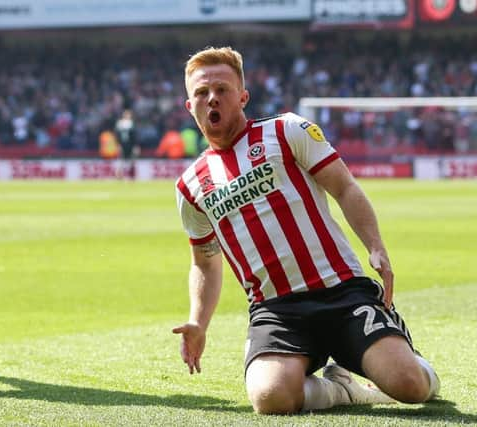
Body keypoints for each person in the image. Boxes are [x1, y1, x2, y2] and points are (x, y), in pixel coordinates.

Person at [171, 46, 440, 415]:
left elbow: (344, 187)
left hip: (342, 291)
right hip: (277, 310)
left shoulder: (286, 131)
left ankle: (409, 359)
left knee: (409, 385)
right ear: (189, 106)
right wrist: (197, 322)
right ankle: (342, 390)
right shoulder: (190, 186)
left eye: (222, 89)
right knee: (270, 399)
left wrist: (375, 246)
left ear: (243, 97)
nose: (212, 99)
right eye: (201, 93)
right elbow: (204, 261)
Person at [114, 109, 138, 179]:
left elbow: (134, 136)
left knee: (131, 159)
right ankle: (119, 174)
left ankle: (131, 174)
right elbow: (117, 135)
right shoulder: (120, 123)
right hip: (122, 144)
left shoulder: (132, 123)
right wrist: (118, 144)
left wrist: (135, 146)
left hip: (130, 144)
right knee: (121, 159)